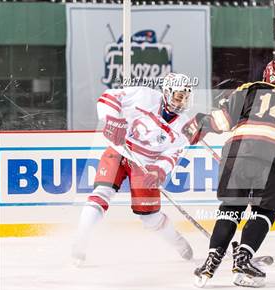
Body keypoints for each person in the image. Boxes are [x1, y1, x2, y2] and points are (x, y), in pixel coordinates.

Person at [182, 60, 275, 287]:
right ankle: (244, 257)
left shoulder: (249, 89)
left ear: (266, 76)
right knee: (264, 210)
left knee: (231, 207)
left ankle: (212, 258)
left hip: (237, 153)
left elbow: (223, 121)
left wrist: (202, 123)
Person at [72, 73, 194, 266]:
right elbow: (109, 97)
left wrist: (159, 170)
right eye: (179, 96)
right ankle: (80, 242)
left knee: (150, 217)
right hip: (120, 150)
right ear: (167, 92)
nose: (182, 102)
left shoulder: (183, 125)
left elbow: (173, 153)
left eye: (186, 97)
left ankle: (178, 243)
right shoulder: (144, 96)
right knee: (101, 193)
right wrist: (111, 120)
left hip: (145, 166)